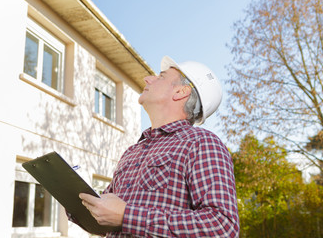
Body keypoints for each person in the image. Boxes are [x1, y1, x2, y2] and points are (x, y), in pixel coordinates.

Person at [75, 56, 240, 237]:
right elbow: (104, 217)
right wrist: (69, 194)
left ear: (180, 92)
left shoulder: (202, 143)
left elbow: (222, 226)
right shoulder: (133, 152)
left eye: (161, 77)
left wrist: (127, 216)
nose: (148, 79)